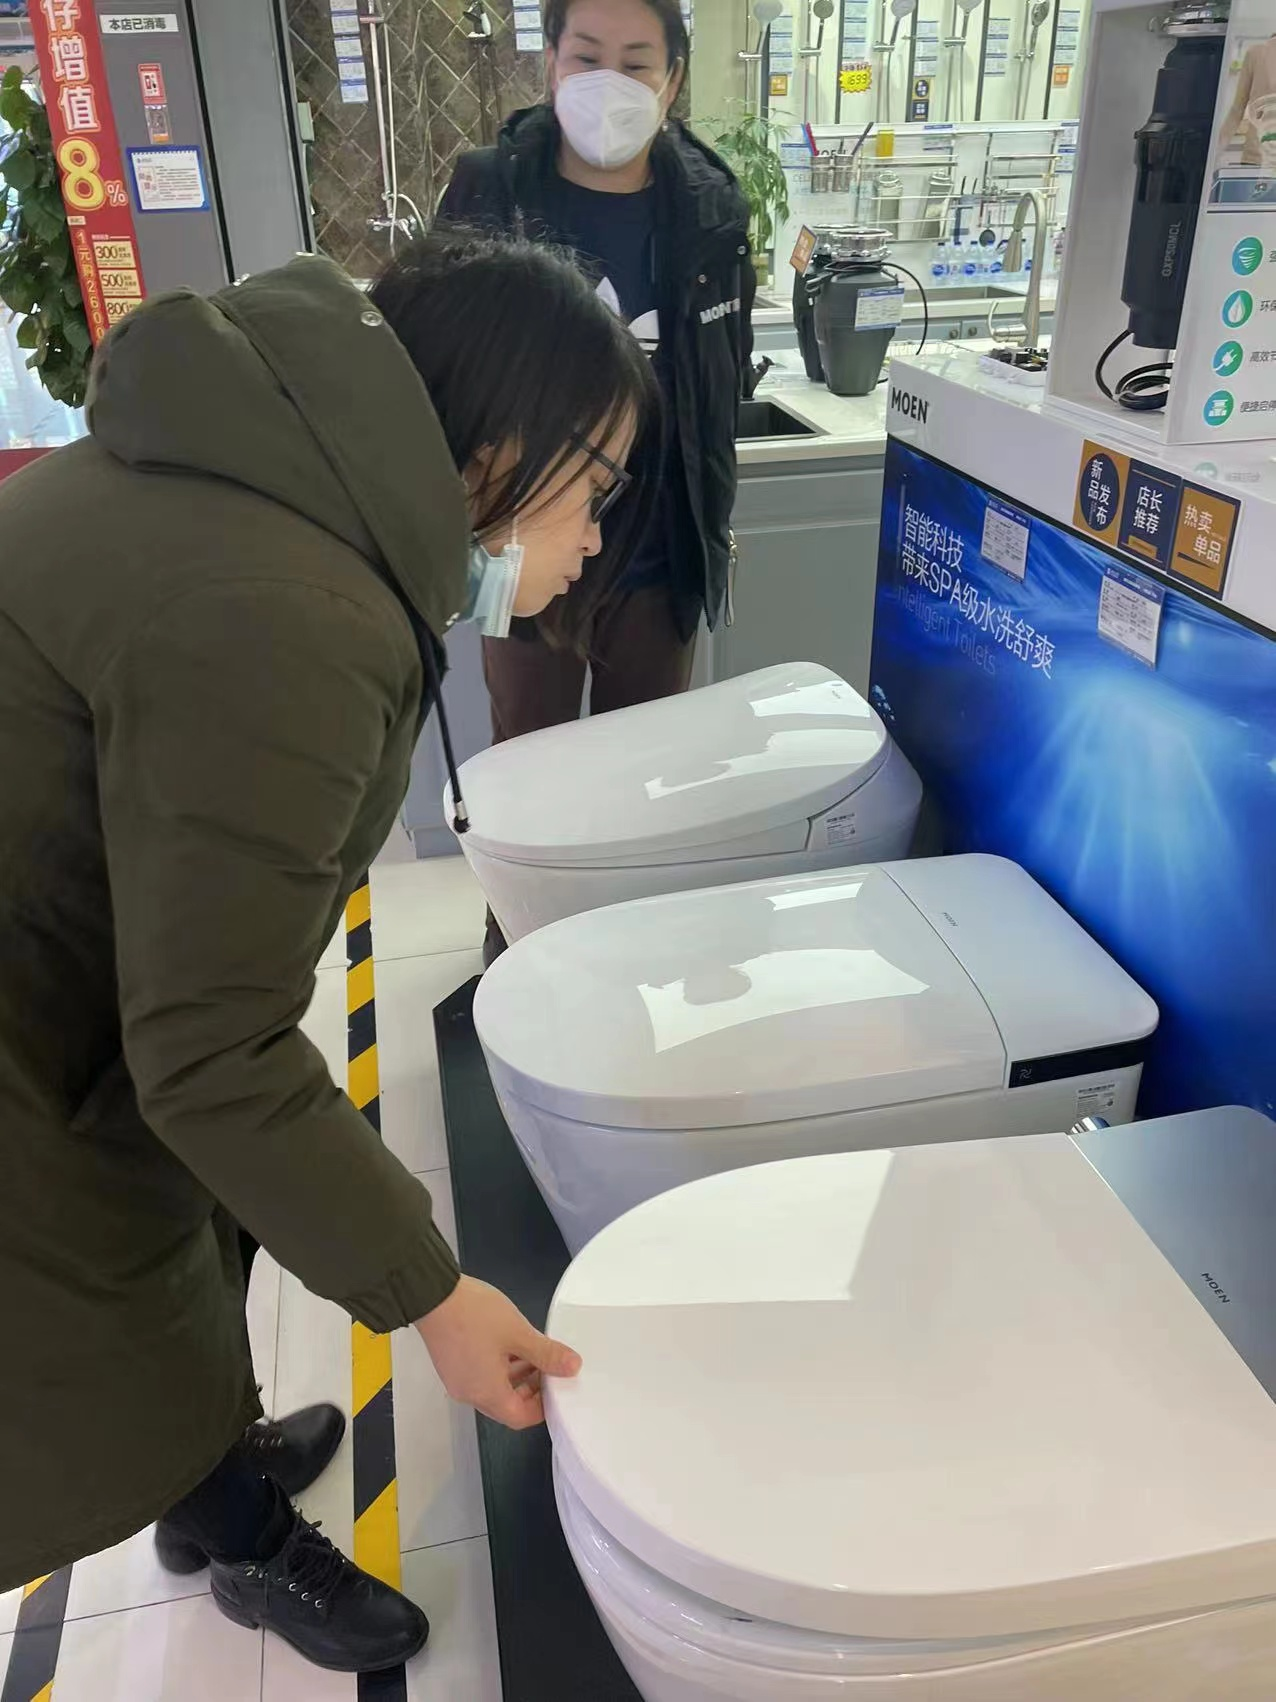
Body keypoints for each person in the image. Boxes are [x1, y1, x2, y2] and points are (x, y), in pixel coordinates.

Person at [0, 230, 656, 1674]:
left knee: (173, 1229)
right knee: (103, 1281)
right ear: (493, 454)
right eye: (594, 490)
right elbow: (210, 1053)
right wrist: (431, 1293)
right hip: (29, 1032)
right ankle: (238, 1534)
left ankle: (201, 1473)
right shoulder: (288, 608)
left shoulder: (255, 480)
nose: (596, 540)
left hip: (59, 963)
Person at [438, 0, 757, 964]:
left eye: (636, 60)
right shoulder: (491, 189)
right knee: (527, 771)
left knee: (644, 784)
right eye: (586, 56)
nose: (609, 81)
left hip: (659, 549)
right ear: (550, 64)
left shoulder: (712, 206)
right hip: (525, 541)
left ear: (672, 78)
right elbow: (445, 368)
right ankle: (519, 956)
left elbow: (723, 375)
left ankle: (630, 964)